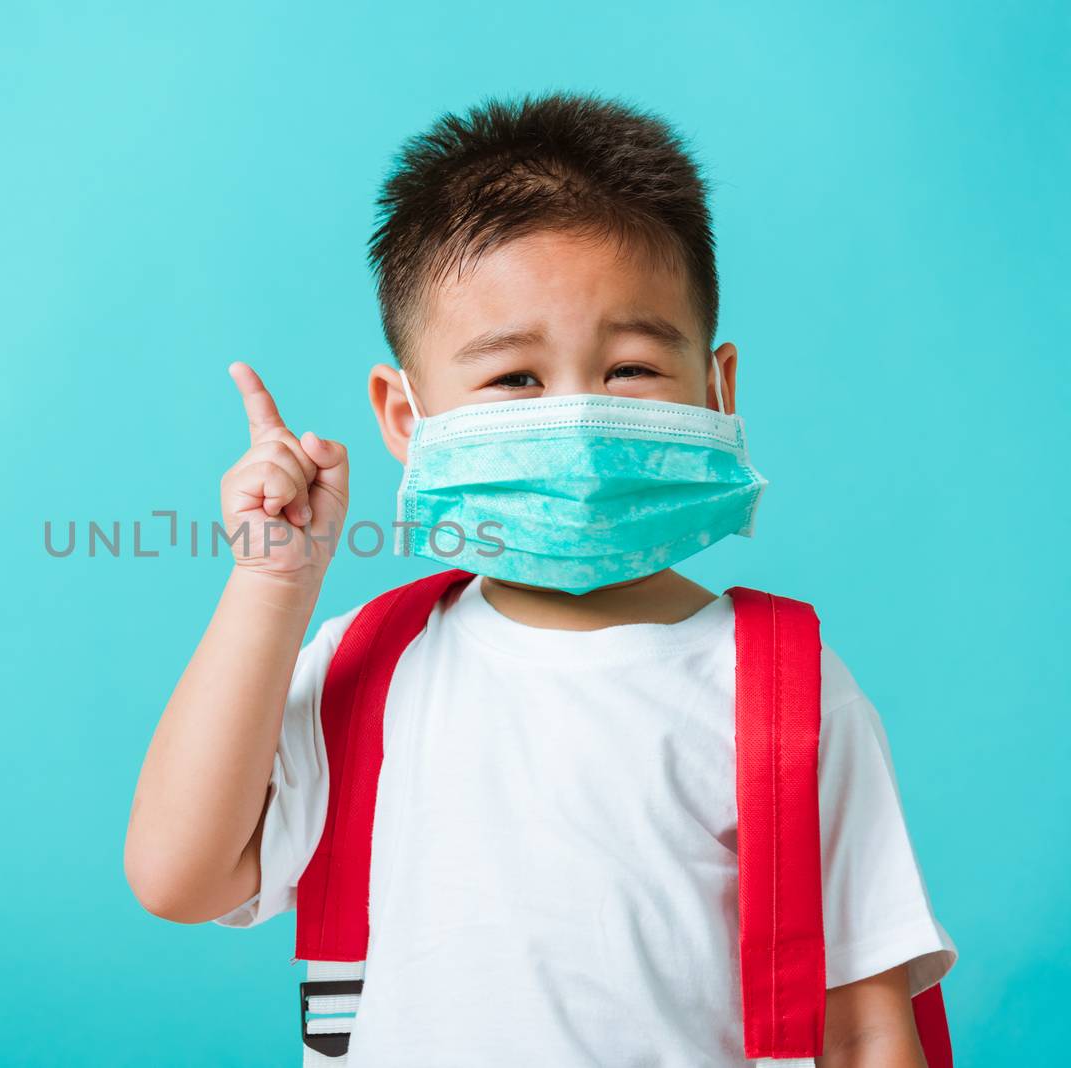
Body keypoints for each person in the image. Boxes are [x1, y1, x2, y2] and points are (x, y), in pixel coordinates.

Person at [123, 91, 956, 1066]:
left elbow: (862, 1021)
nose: (577, 419)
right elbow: (180, 877)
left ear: (716, 390)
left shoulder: (791, 694)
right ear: (405, 417)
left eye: (632, 367)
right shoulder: (369, 671)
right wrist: (272, 587)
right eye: (514, 379)